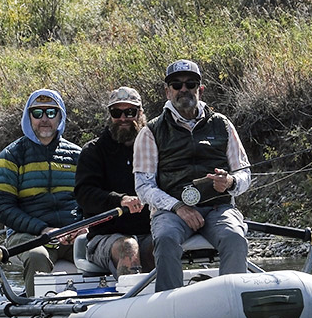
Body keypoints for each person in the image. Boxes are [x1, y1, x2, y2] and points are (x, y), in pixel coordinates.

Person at [133, 59, 252, 289]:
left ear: (200, 89)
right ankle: (169, 303)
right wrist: (178, 207)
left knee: (235, 237)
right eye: (176, 85)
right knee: (166, 239)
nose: (184, 89)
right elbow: (144, 187)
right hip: (171, 212)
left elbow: (244, 174)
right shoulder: (151, 131)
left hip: (218, 208)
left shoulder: (223, 124)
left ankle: (235, 296)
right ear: (167, 91)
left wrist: (230, 182)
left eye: (190, 84)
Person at [0, 89, 84, 295]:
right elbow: (2, 207)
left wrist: (83, 227)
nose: (44, 119)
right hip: (27, 236)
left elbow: (90, 199)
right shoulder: (10, 156)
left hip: (74, 235)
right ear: (28, 116)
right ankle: (36, 304)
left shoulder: (78, 156)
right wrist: (43, 230)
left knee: (102, 249)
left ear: (60, 116)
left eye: (51, 112)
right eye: (37, 113)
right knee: (37, 256)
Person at [74, 86, 154, 276]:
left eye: (130, 112)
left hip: (149, 232)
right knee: (128, 247)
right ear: (110, 115)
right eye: (116, 113)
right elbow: (84, 194)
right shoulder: (93, 151)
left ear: (141, 114)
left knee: (163, 245)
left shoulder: (155, 148)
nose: (123, 118)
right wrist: (120, 200)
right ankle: (132, 294)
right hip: (105, 237)